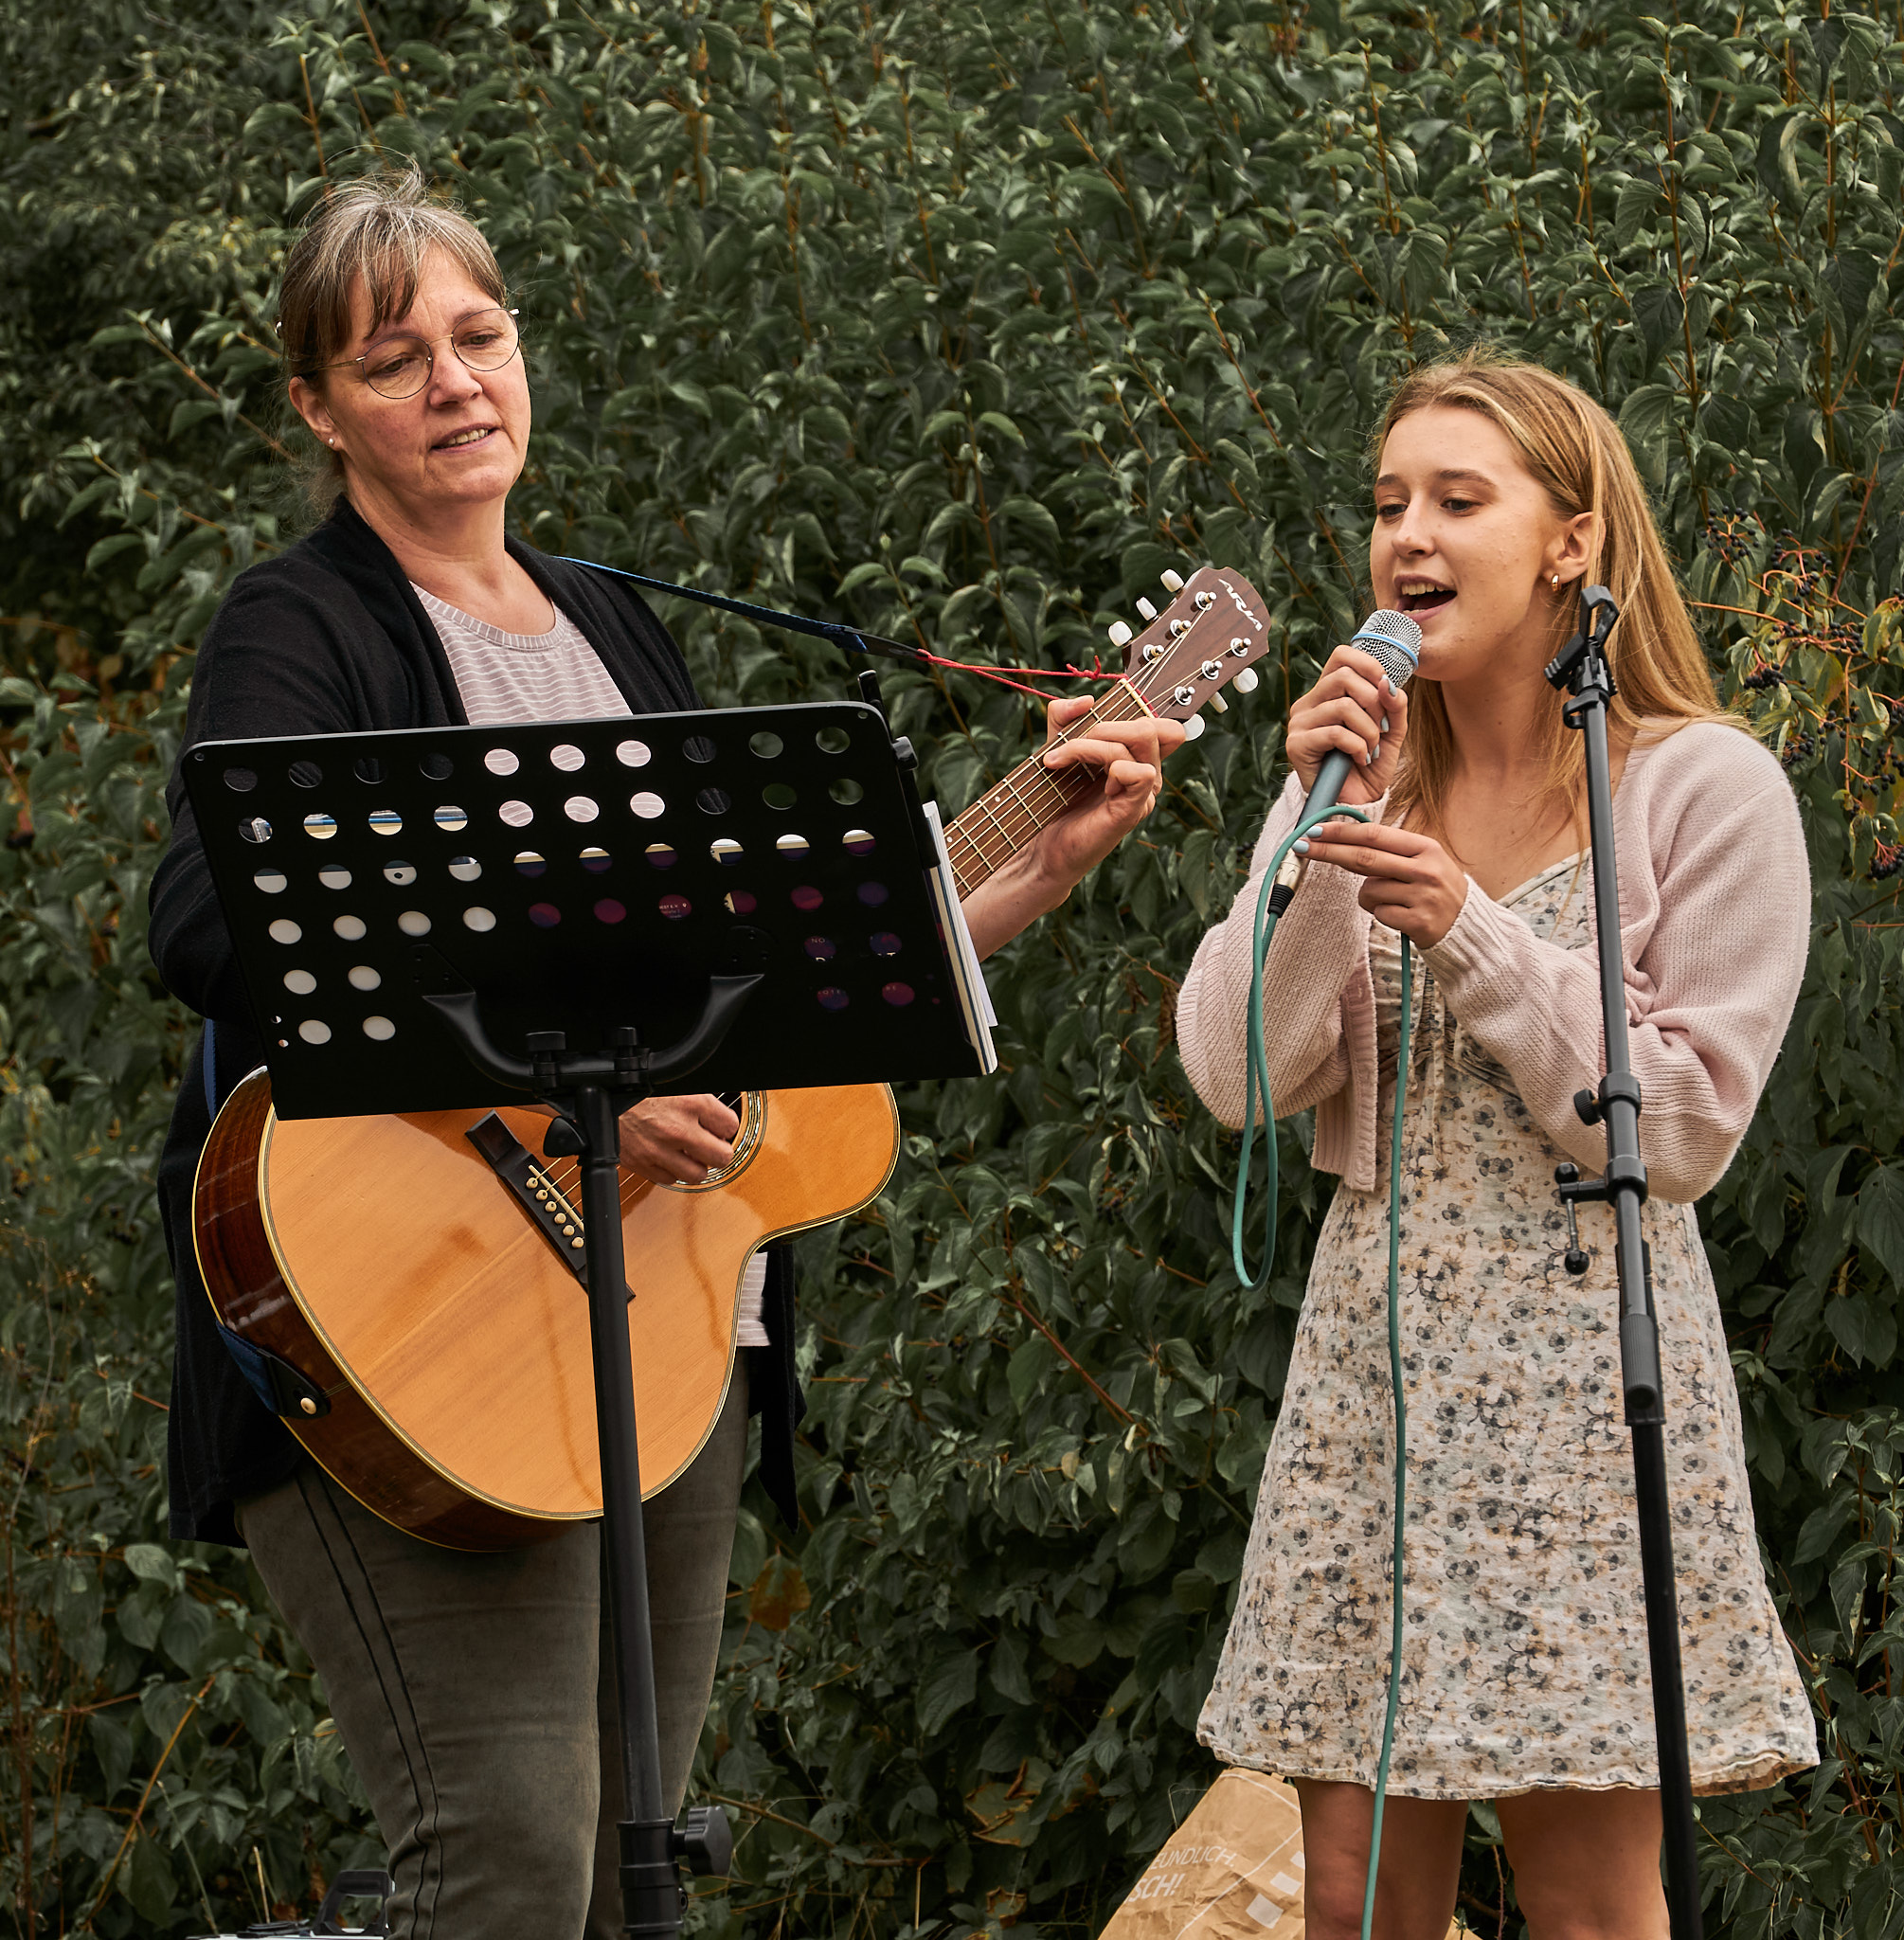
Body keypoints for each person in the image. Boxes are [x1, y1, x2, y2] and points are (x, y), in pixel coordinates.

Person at [148, 168, 1181, 1939]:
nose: (455, 382)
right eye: (392, 360)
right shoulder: (302, 623)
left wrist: (1033, 863)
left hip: (667, 1323)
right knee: (509, 1866)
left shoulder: (612, 630)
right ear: (318, 408)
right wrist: (563, 1093)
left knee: (637, 1874)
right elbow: (214, 924)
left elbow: (769, 995)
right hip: (411, 1311)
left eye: (480, 335)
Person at [1175, 351, 1817, 1940]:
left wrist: (1471, 930)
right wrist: (1317, 827)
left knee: (1590, 1906)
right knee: (1351, 1902)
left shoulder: (1706, 787)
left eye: (1460, 500)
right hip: (1372, 1381)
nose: (1409, 534)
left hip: (1583, 1388)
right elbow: (1237, 1073)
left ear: (1570, 543)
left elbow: (1685, 1125)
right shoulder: (1364, 776)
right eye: (1389, 501)